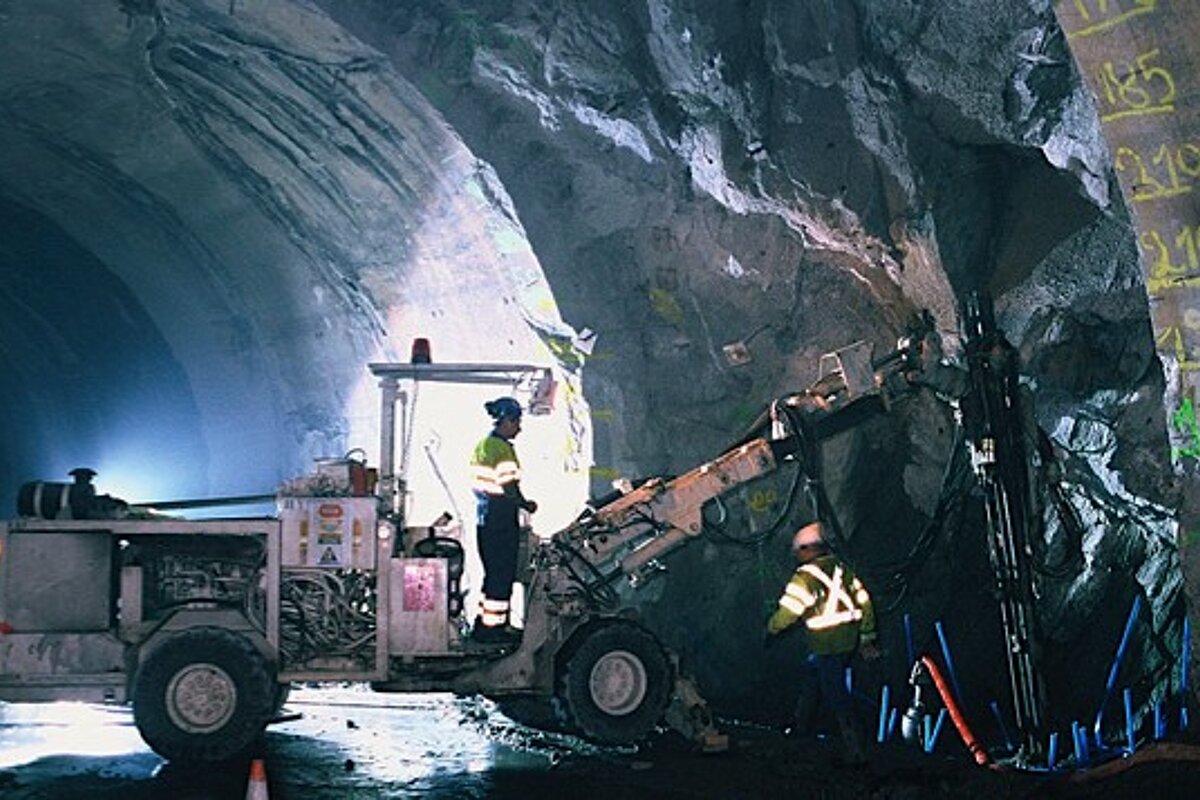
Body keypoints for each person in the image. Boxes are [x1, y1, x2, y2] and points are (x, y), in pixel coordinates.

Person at [765, 520, 880, 764]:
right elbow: (864, 601)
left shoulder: (804, 578)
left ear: (808, 549)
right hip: (847, 640)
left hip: (827, 644)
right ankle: (799, 725)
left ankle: (855, 749)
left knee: (835, 694)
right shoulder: (842, 568)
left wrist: (771, 628)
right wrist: (866, 637)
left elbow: (789, 612)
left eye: (798, 550)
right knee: (812, 676)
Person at [469, 396, 538, 644]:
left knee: (492, 575)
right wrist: (526, 504)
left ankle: (484, 626)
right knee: (502, 574)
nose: (519, 427)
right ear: (507, 421)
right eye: (517, 422)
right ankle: (494, 631)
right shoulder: (502, 449)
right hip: (500, 519)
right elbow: (509, 487)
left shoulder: (483, 446)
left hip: (485, 519)